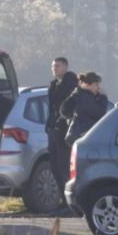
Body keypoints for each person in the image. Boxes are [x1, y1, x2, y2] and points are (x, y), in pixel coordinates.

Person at [45, 57, 78, 197]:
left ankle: (70, 201)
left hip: (64, 130)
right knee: (54, 166)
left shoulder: (71, 83)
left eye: (57, 66)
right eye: (53, 66)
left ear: (65, 66)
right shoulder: (53, 85)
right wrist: (49, 124)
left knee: (64, 166)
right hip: (53, 130)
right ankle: (63, 199)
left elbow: (70, 107)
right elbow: (51, 108)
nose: (54, 68)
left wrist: (60, 121)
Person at [63, 72, 110, 145]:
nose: (98, 88)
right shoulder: (85, 97)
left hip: (78, 135)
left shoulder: (80, 94)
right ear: (88, 85)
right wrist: (103, 98)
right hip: (83, 136)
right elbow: (100, 114)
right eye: (96, 85)